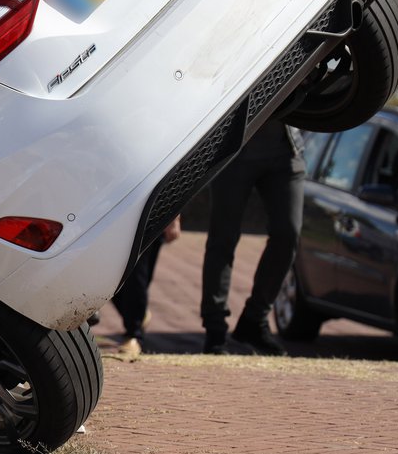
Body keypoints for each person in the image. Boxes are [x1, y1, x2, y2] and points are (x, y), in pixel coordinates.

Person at [200, 118, 304, 354]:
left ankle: (254, 320)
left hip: (286, 149)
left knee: (288, 234)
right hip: (233, 147)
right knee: (223, 239)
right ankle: (215, 330)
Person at [100, 215, 181, 360]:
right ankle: (137, 318)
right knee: (108, 276)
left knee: (138, 274)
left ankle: (134, 335)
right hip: (114, 212)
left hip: (151, 212)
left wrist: (174, 217)